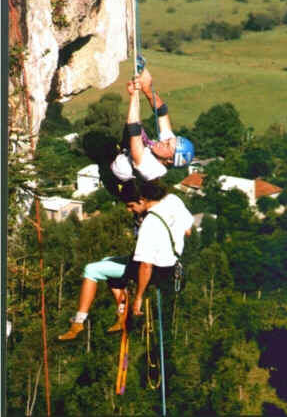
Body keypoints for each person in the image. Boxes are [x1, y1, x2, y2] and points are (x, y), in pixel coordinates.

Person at [58, 180, 194, 340]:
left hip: (155, 271)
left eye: (131, 206)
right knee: (106, 261)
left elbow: (145, 267)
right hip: (172, 265)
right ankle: (121, 312)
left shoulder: (149, 224)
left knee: (91, 270)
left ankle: (79, 322)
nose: (130, 211)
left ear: (142, 200)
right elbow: (188, 231)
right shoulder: (172, 200)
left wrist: (138, 298)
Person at [110, 68, 195, 183]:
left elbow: (133, 129)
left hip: (115, 177)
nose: (163, 142)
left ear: (169, 160)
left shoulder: (153, 170)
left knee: (137, 129)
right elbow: (162, 112)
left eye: (167, 145)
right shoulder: (165, 148)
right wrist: (147, 89)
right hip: (125, 154)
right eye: (168, 140)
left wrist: (134, 94)